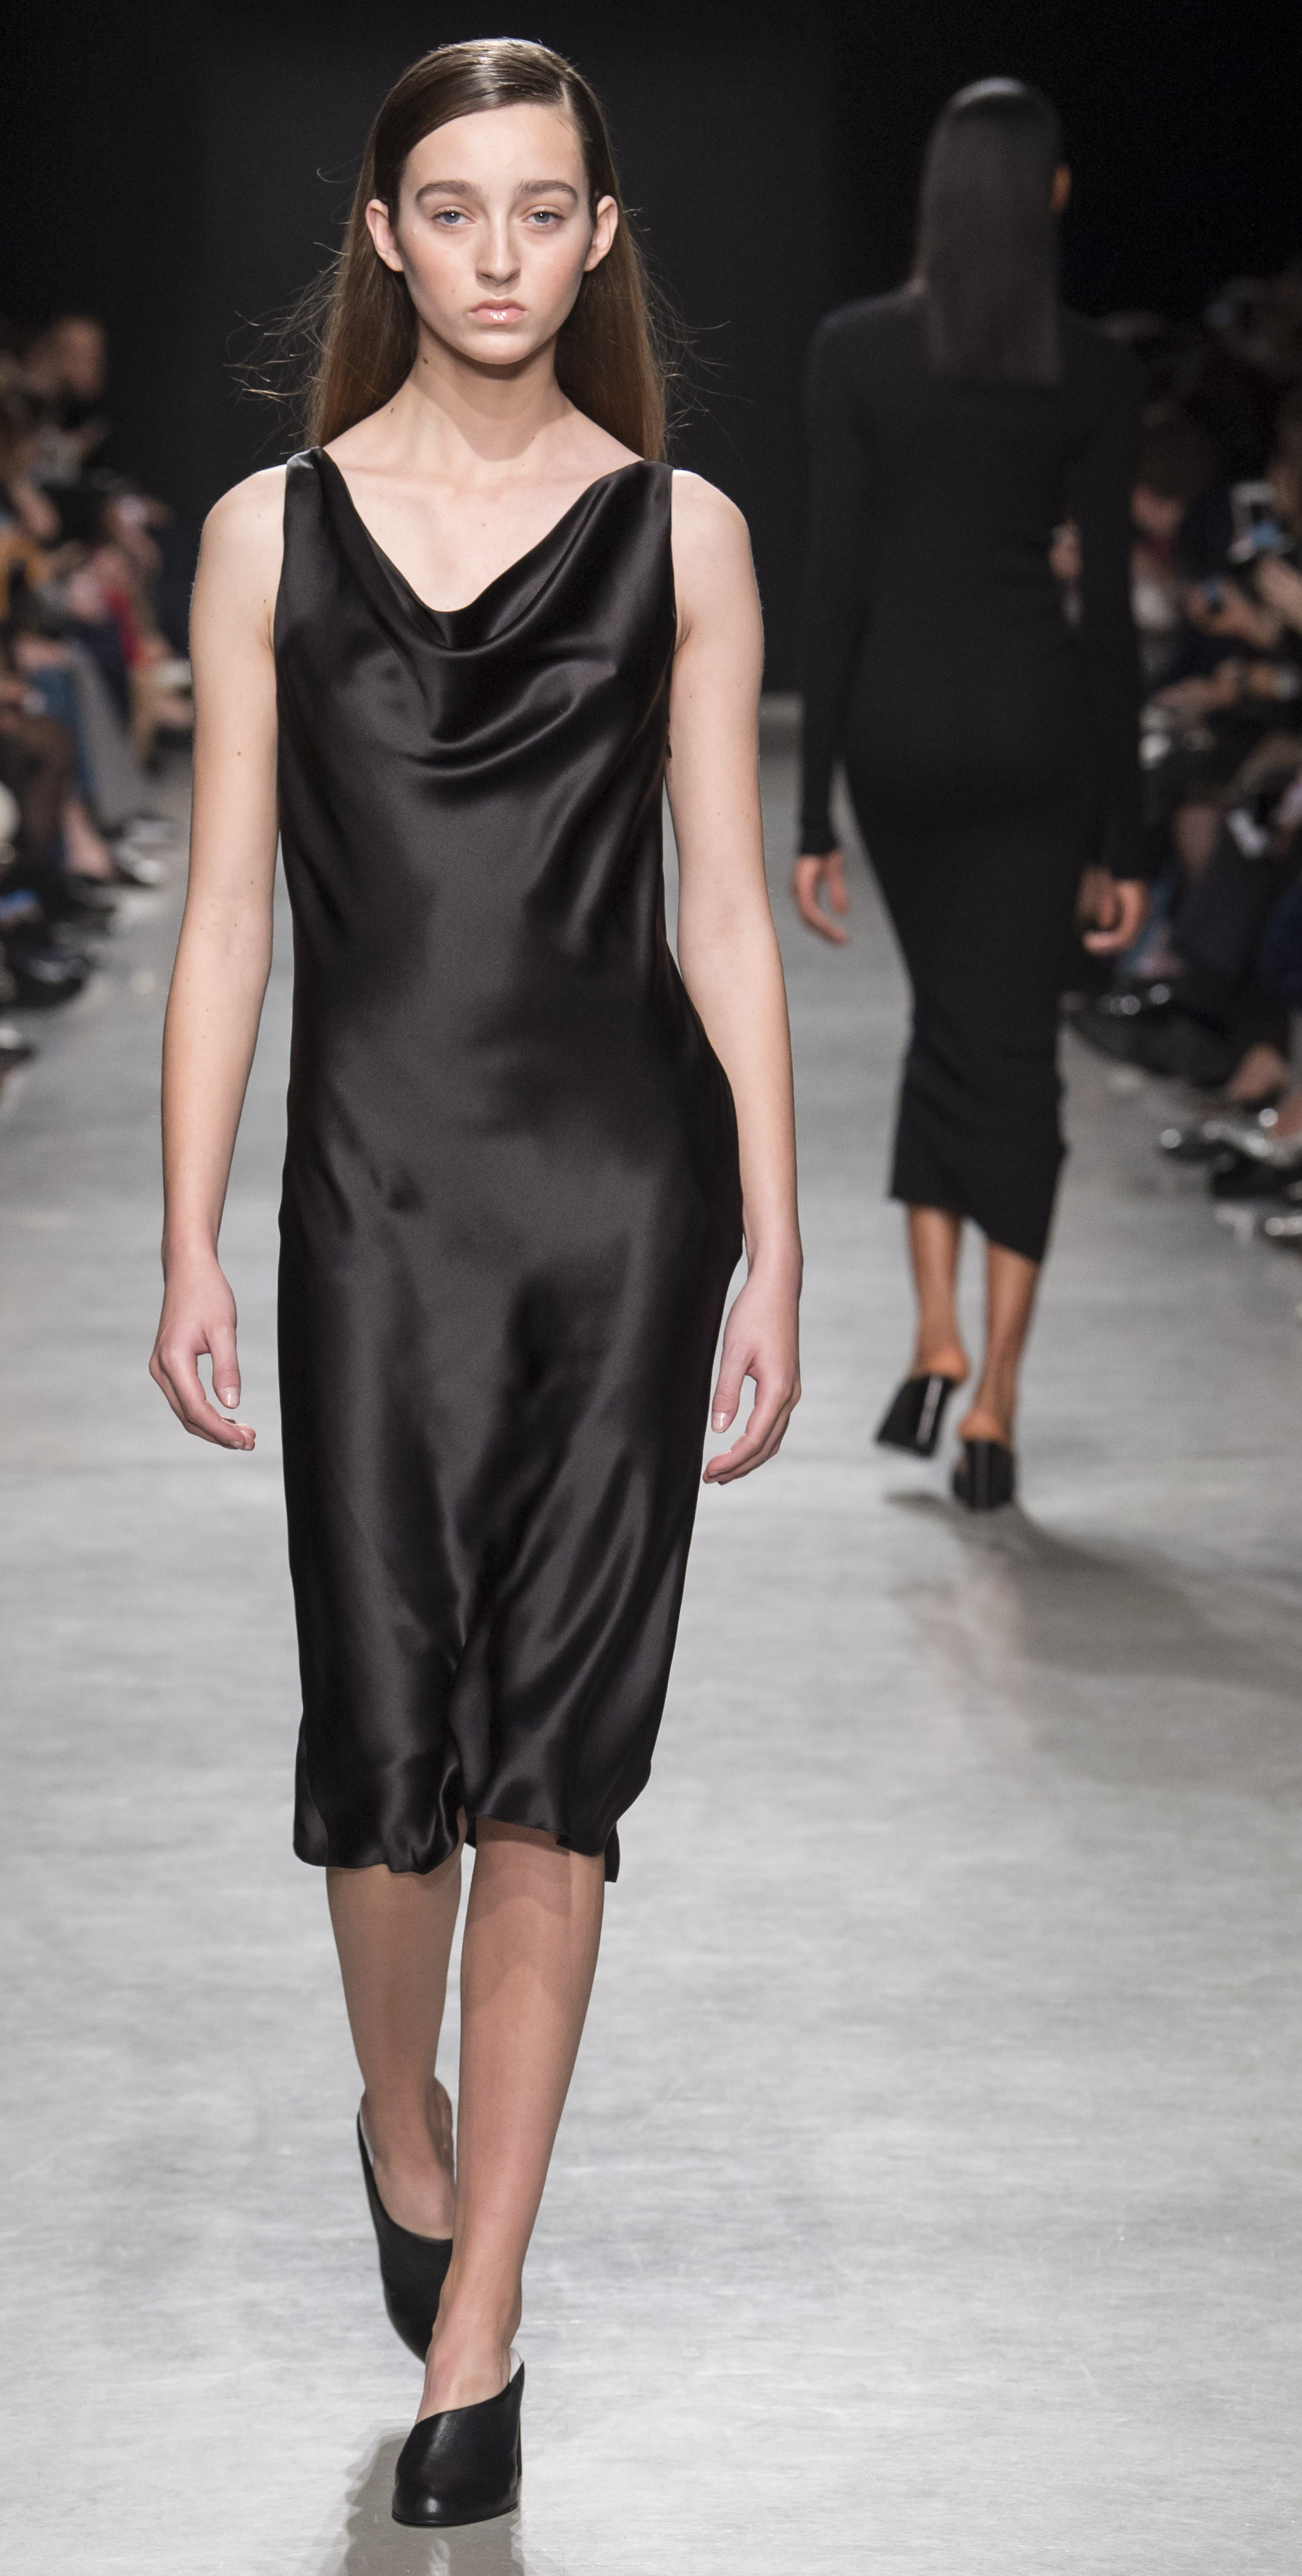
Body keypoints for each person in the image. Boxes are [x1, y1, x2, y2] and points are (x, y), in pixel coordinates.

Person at [149, 35, 800, 2532]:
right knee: (382, 1749)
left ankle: (480, 2318)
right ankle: (398, 2118)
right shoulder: (265, 536)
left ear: (599, 235)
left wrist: (775, 1228)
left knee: (554, 1770)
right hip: (370, 1202)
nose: (501, 252)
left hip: (621, 1204)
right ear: (385, 234)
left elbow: (721, 900)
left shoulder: (686, 536)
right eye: (454, 208)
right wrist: (184, 1222)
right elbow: (227, 904)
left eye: (543, 209)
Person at [794, 79, 1149, 1510]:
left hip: (900, 740)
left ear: (938, 198)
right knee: (1013, 1048)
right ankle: (993, 1394)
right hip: (1034, 732)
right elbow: (1111, 620)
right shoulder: (1093, 371)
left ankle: (934, 1332)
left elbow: (836, 587)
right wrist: (1124, 836)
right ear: (1052, 196)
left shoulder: (854, 353)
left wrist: (812, 810)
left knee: (949, 1020)